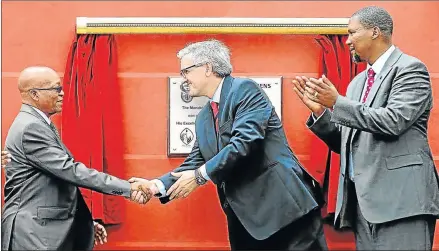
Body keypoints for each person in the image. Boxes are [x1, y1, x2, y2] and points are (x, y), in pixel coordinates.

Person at [130, 39, 328, 250]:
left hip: (285, 211)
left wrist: (199, 177)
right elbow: (194, 162)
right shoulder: (203, 117)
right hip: (244, 222)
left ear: (207, 68)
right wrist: (154, 186)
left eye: (186, 71)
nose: (183, 79)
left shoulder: (245, 89)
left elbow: (244, 143)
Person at [292, 6, 439, 250]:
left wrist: (337, 102)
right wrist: (321, 112)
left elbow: (393, 121)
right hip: (363, 206)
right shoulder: (357, 83)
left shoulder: (410, 69)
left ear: (375, 32)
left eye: (352, 33)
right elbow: (349, 141)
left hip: (401, 203)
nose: (347, 40)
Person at [1, 66, 153, 251]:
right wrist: (128, 188)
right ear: (34, 94)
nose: (62, 94)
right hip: (33, 233)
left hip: (39, 231)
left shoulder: (35, 123)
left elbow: (52, 183)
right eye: (56, 89)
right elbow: (72, 172)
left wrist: (83, 223)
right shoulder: (31, 128)